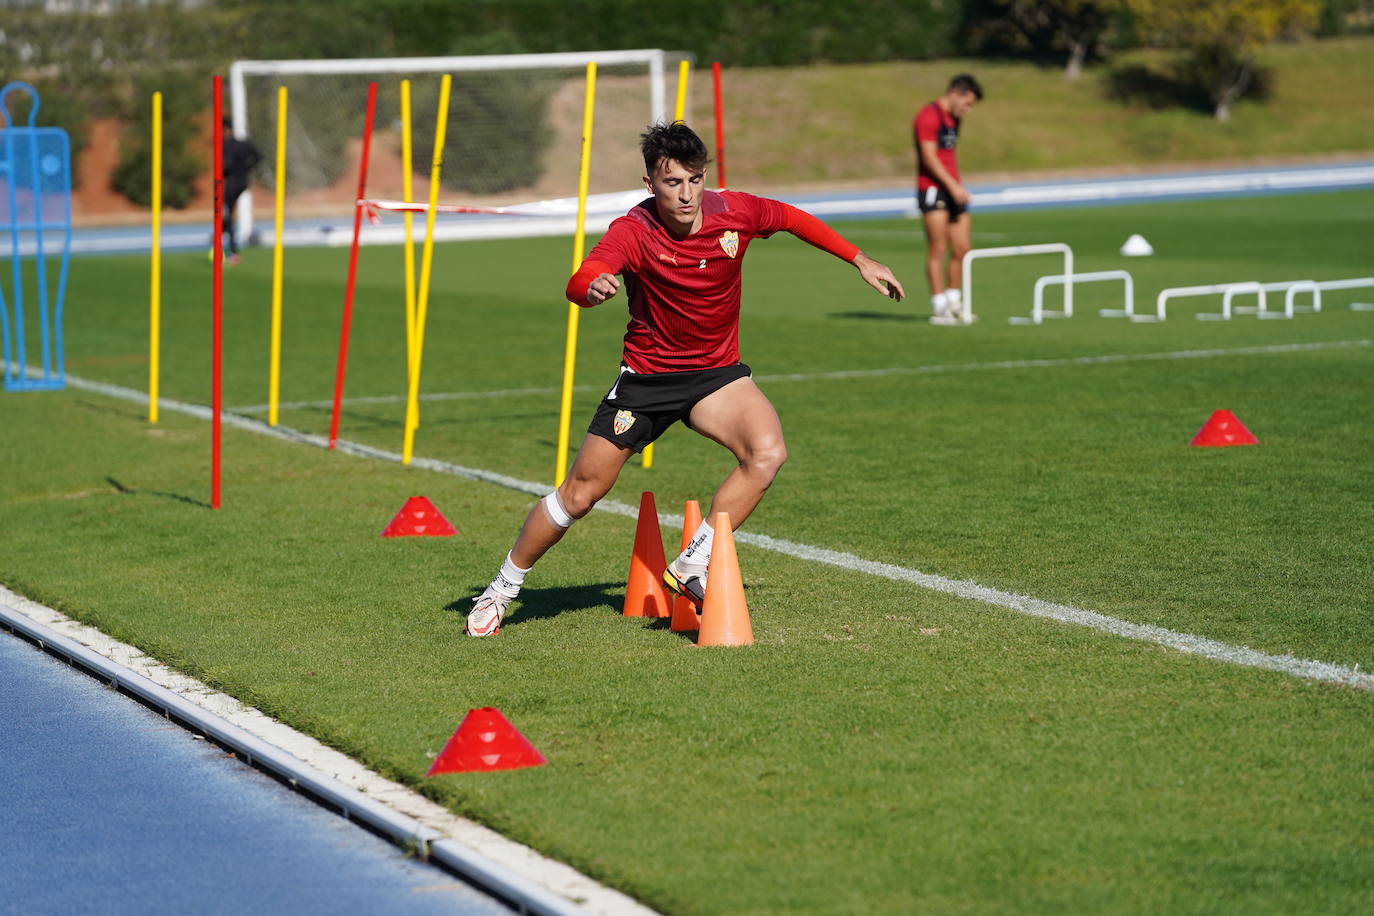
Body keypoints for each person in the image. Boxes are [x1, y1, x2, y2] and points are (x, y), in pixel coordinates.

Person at [465, 121, 905, 637]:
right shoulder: (633, 229)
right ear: (650, 183)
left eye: (695, 179)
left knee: (767, 453)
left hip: (715, 376)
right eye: (673, 182)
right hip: (647, 381)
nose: (687, 193)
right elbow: (581, 279)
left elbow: (790, 217)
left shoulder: (734, 211)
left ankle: (694, 562)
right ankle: (501, 589)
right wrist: (593, 287)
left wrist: (859, 259)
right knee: (580, 495)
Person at [913, 74, 982, 322]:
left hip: (955, 189)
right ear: (955, 93)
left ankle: (954, 301)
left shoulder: (954, 119)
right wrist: (952, 186)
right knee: (938, 247)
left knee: (963, 247)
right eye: (967, 103)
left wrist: (958, 186)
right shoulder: (928, 115)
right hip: (933, 189)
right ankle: (939, 305)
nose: (968, 109)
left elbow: (949, 156)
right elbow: (929, 157)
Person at [221, 118, 262, 265]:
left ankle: (232, 251)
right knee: (227, 214)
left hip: (232, 183)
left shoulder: (225, 145)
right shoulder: (245, 144)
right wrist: (245, 170)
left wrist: (225, 173)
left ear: (225, 129)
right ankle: (224, 239)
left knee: (227, 215)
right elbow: (258, 157)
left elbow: (227, 165)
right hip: (243, 182)